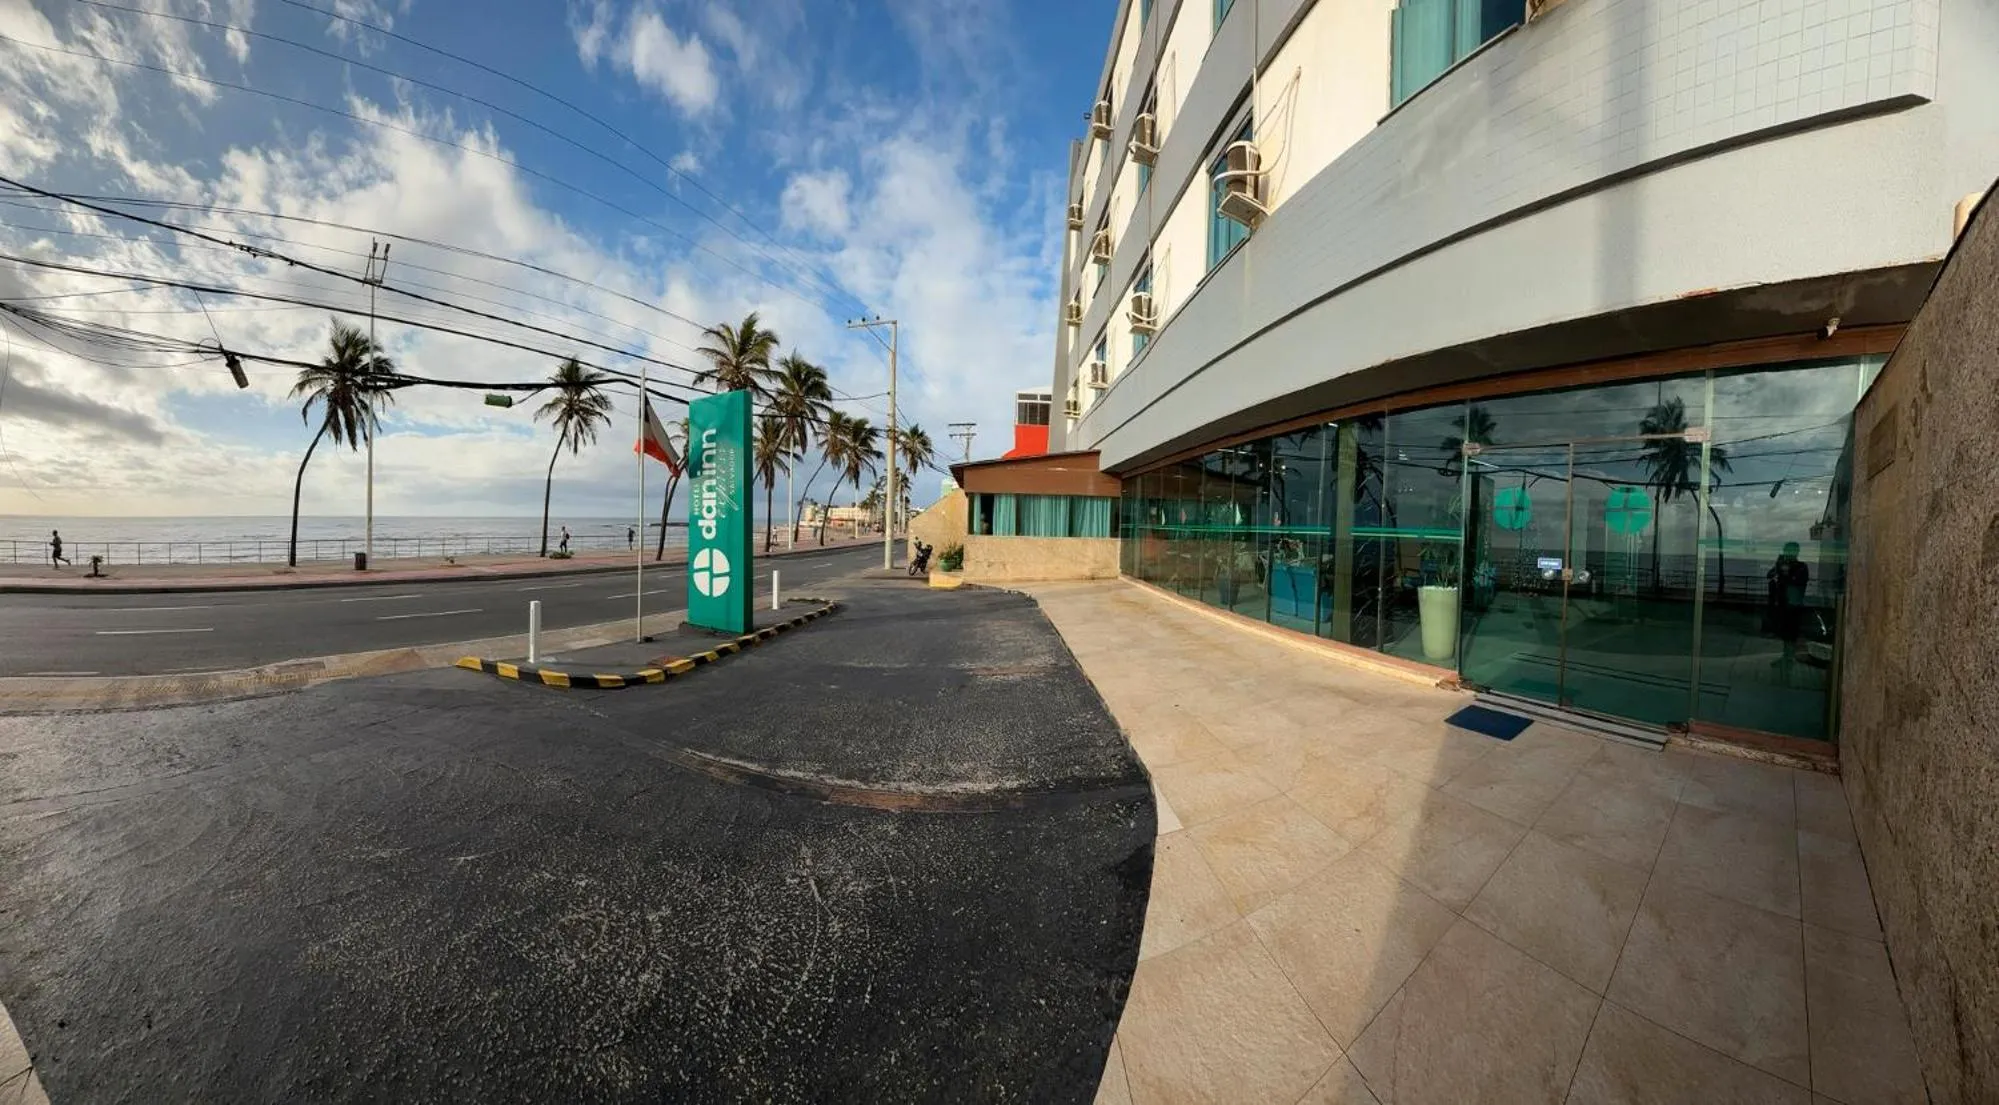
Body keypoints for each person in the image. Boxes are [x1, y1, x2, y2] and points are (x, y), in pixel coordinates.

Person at [1765, 541, 1810, 663]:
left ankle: (1789, 658)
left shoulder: (1801, 566)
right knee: (1785, 634)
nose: (1787, 553)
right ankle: (1786, 657)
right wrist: (1778, 567)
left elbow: (1795, 583)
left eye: (1789, 551)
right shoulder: (1782, 565)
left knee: (1791, 634)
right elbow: (1769, 575)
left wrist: (1784, 572)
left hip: (1794, 605)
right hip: (1783, 604)